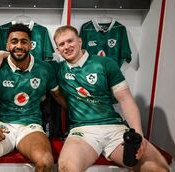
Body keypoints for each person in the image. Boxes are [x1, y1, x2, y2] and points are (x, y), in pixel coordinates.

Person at [52, 25, 169, 171]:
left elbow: (126, 99)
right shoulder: (57, 69)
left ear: (80, 41)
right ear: (57, 50)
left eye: (70, 41)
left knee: (157, 167)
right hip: (82, 131)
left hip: (114, 128)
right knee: (67, 167)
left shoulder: (105, 63)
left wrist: (138, 134)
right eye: (61, 44)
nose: (67, 46)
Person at [0, 23, 67, 172]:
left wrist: (79, 114)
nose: (19, 45)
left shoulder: (45, 69)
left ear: (31, 45)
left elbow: (58, 95)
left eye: (24, 41)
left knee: (45, 161)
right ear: (7, 45)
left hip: (31, 126)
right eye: (14, 42)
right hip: (4, 126)